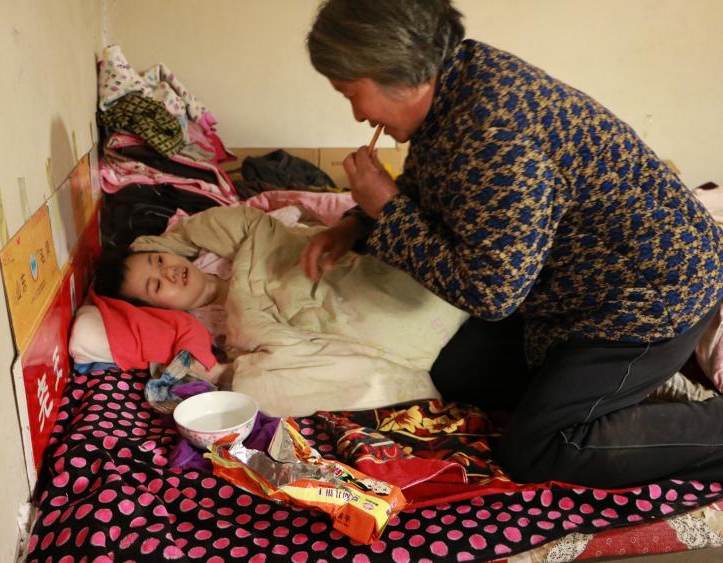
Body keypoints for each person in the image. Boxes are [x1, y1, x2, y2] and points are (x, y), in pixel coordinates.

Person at [301, 0, 723, 488]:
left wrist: (387, 211)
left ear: (405, 77)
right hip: (570, 292)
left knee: (537, 451)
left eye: (352, 94)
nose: (358, 115)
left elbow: (492, 294)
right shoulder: (456, 79)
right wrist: (355, 224)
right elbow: (431, 189)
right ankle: (609, 399)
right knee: (458, 370)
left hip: (649, 298)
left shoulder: (497, 134)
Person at [93, 205, 469, 416]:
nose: (169, 273)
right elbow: (237, 357)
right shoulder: (196, 326)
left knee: (384, 297)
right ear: (155, 308)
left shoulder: (212, 252)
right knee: (260, 385)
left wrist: (162, 244)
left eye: (160, 260)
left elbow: (256, 227)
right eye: (157, 286)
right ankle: (397, 375)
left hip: (320, 284)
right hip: (299, 335)